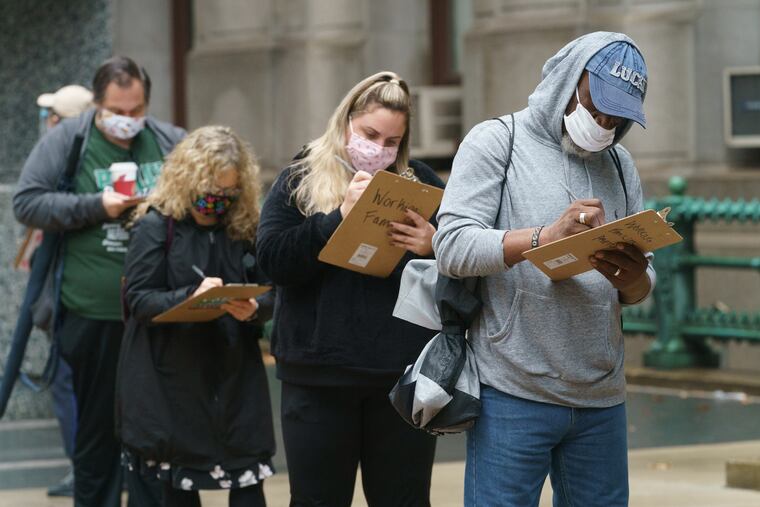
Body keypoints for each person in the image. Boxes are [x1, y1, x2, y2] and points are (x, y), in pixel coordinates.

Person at [433, 32, 656, 507]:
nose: (604, 124)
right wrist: (542, 239)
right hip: (512, 391)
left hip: (602, 396)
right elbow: (450, 245)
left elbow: (642, 286)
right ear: (568, 81)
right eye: (597, 109)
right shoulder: (497, 141)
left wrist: (633, 278)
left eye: (617, 118)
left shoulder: (621, 165)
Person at [256, 71, 444, 506]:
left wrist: (433, 245)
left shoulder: (421, 181)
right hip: (318, 376)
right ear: (345, 124)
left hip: (401, 379)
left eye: (392, 141)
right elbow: (271, 259)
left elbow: (465, 262)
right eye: (369, 134)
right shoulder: (300, 178)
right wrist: (336, 217)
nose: (378, 149)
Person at [13, 56, 185, 507]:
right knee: (96, 440)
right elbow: (28, 203)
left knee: (154, 439)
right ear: (97, 104)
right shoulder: (69, 139)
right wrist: (96, 206)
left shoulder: (169, 141)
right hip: (90, 314)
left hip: (157, 317)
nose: (128, 121)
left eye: (136, 110)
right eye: (117, 111)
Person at [117, 125, 276, 507]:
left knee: (248, 483)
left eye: (228, 193)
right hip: (170, 381)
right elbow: (138, 299)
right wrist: (191, 296)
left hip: (234, 378)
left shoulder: (243, 227)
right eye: (210, 193)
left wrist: (255, 309)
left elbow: (275, 291)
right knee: (176, 488)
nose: (217, 202)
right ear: (189, 183)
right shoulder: (156, 226)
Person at [34, 83, 94, 498]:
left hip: (75, 297)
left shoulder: (73, 163)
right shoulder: (68, 158)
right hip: (65, 292)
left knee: (68, 382)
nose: (47, 123)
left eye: (53, 116)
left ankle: (85, 467)